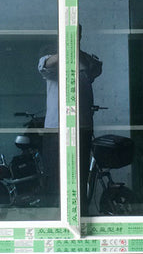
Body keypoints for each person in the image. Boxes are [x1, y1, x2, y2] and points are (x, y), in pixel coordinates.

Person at [38, 26, 102, 210]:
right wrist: (66, 50)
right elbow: (44, 65)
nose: (73, 38)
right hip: (56, 128)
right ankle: (56, 213)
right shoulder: (52, 60)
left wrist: (77, 52)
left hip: (82, 127)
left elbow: (96, 68)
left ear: (80, 36)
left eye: (76, 35)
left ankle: (80, 211)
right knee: (55, 173)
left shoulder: (85, 60)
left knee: (80, 173)